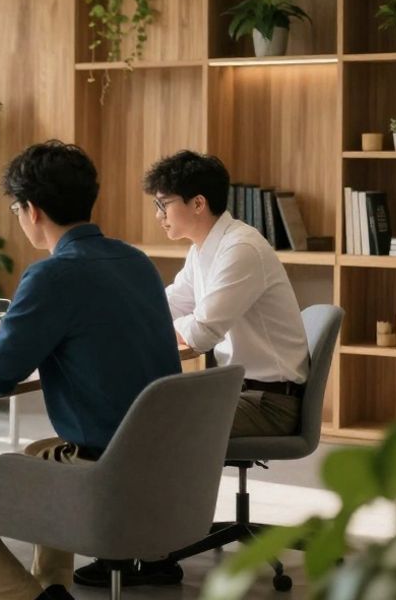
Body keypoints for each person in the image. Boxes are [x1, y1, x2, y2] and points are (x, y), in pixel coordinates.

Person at [0, 140, 181, 600]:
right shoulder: (134, 260)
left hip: (103, 475)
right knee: (39, 448)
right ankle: (52, 586)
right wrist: (5, 338)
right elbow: (91, 330)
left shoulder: (52, 274)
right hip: (161, 463)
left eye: (16, 207)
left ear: (31, 210)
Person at [75, 150, 310, 590]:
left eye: (164, 203)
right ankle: (148, 546)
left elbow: (200, 333)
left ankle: (147, 553)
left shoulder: (240, 249)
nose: (159, 214)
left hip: (271, 402)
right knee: (142, 419)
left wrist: (168, 325)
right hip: (244, 391)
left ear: (197, 203)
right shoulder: (206, 248)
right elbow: (164, 307)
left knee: (148, 428)